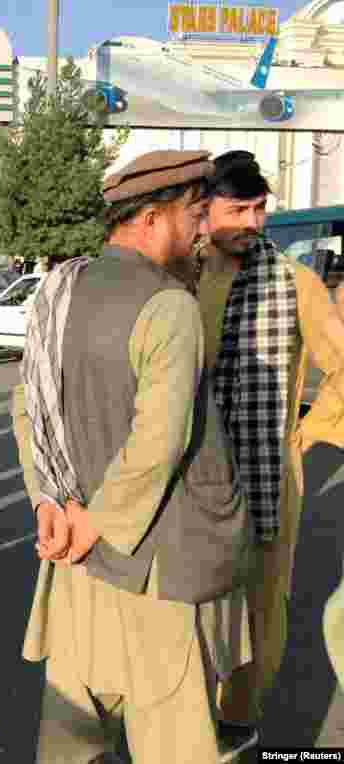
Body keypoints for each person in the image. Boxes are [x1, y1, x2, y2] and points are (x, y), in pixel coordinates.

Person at [12, 150, 254, 763]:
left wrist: (50, 503)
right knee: (177, 744)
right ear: (150, 218)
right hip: (158, 571)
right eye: (194, 214)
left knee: (72, 740)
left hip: (75, 559)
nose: (204, 229)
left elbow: (29, 407)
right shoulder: (169, 304)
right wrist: (96, 522)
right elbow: (160, 439)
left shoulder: (59, 291)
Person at [196, 150, 344, 740]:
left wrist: (313, 434)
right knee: (190, 605)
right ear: (204, 211)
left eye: (260, 209)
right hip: (189, 481)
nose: (255, 223)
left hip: (266, 478)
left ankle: (239, 720)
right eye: (240, 210)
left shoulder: (295, 283)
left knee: (261, 610)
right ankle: (185, 722)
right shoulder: (179, 276)